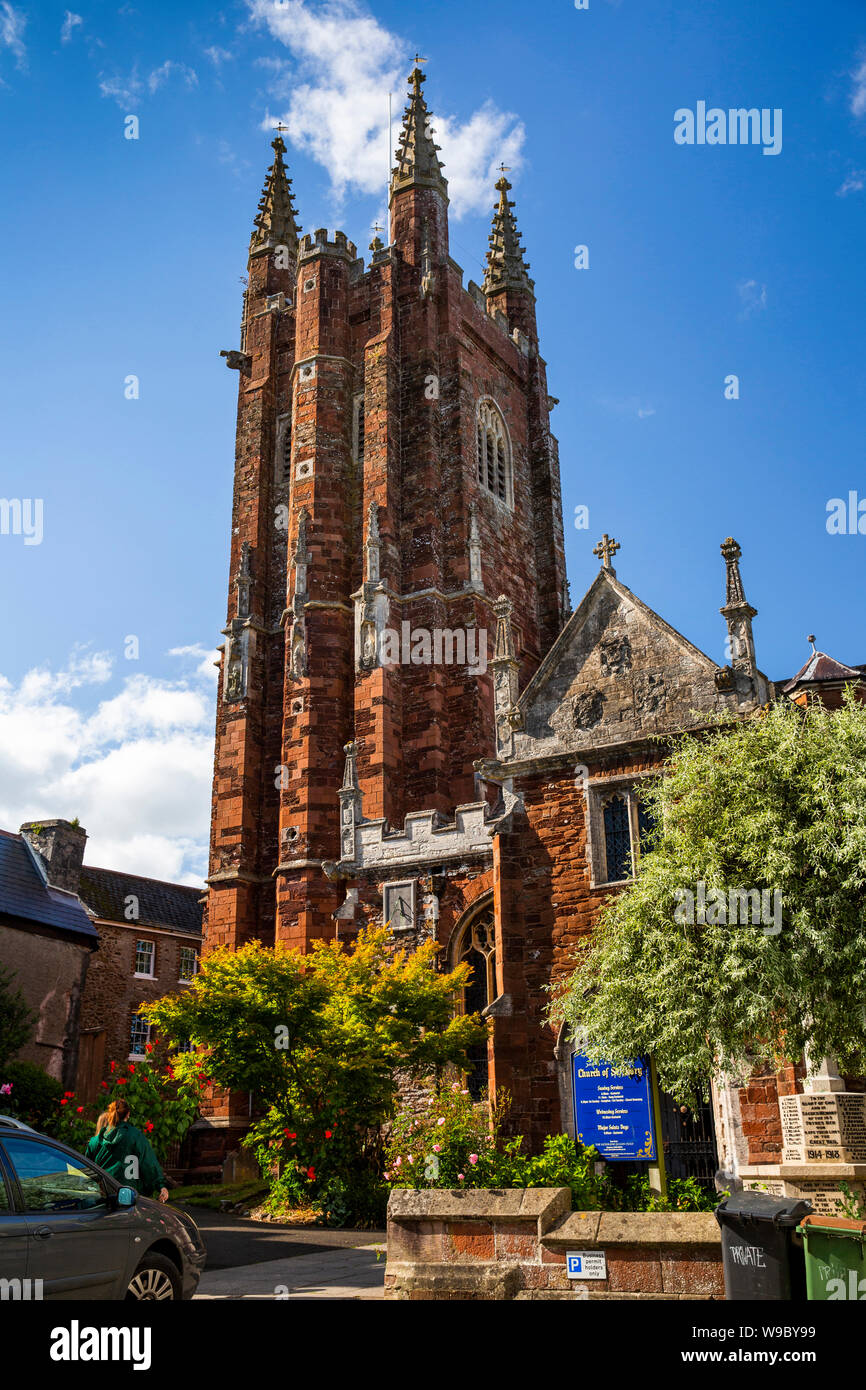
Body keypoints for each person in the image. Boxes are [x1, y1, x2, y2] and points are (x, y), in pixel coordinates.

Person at [85, 1098, 169, 1202]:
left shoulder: (95, 1141)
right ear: (128, 1114)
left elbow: (87, 1169)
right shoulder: (135, 1136)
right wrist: (161, 1186)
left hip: (102, 1196)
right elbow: (148, 1163)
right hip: (128, 1196)